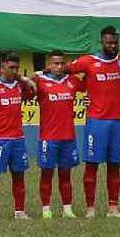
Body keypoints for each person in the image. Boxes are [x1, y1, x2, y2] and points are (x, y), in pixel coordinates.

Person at [68, 27, 120, 217]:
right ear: (102, 42)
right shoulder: (88, 61)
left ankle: (113, 208)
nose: (113, 46)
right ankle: (90, 208)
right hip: (96, 122)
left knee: (114, 165)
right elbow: (63, 69)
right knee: (92, 165)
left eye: (115, 42)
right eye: (109, 42)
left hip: (116, 122)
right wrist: (82, 89)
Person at [0, 52, 35, 221]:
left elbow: (32, 94)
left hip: (18, 139)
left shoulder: (20, 85)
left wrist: (27, 81)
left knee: (19, 175)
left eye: (16, 68)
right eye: (10, 67)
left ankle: (19, 211)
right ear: (2, 66)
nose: (13, 71)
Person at [32, 51, 84, 219]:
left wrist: (71, 70)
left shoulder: (72, 81)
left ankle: (67, 209)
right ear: (49, 65)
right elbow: (26, 84)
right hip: (48, 137)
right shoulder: (40, 82)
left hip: (68, 136)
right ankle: (46, 209)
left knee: (66, 174)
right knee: (47, 173)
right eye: (55, 63)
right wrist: (40, 72)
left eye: (62, 63)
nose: (59, 67)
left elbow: (88, 84)